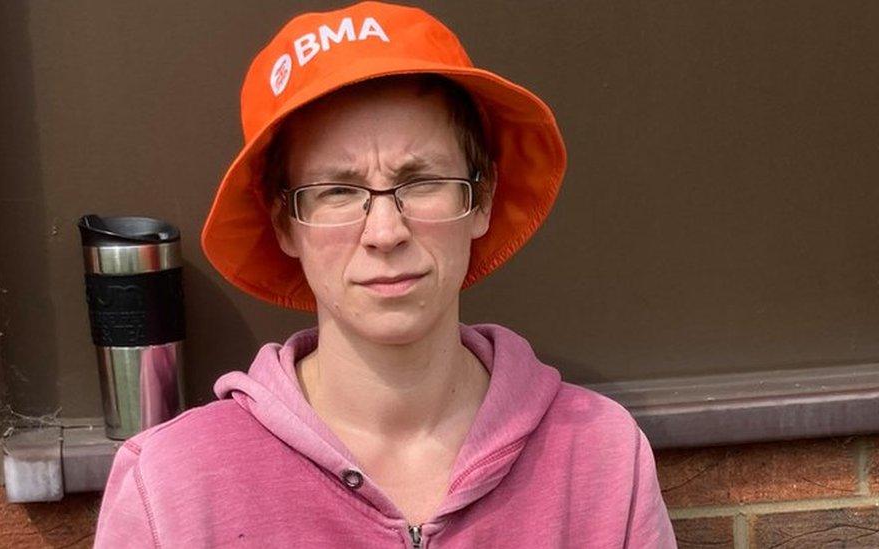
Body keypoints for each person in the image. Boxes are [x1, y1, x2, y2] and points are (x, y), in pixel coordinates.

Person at [94, 2, 677, 547]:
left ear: (482, 200)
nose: (385, 232)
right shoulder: (171, 490)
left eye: (421, 181)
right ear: (284, 223)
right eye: (338, 192)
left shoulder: (600, 454)